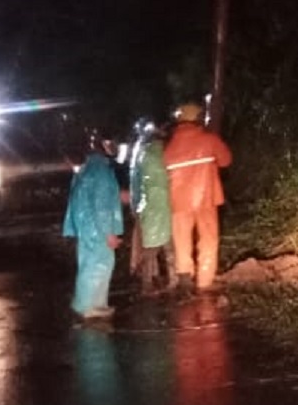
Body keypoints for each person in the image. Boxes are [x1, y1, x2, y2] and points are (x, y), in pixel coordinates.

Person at [163, 101, 232, 296]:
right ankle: (204, 281)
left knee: (181, 239)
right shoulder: (209, 140)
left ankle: (185, 275)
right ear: (199, 119)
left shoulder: (169, 147)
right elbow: (226, 160)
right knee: (208, 239)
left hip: (178, 201)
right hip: (206, 198)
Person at [62, 128, 124, 320]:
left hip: (86, 226)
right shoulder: (102, 171)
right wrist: (109, 233)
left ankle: (94, 304)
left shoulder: (88, 168)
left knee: (90, 264)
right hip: (97, 228)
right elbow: (102, 206)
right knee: (99, 265)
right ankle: (87, 306)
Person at [128, 117, 177, 296]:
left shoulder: (141, 153)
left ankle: (148, 283)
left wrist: (135, 205)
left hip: (148, 206)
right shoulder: (167, 152)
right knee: (168, 245)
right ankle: (172, 280)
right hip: (165, 205)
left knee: (150, 247)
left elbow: (136, 180)